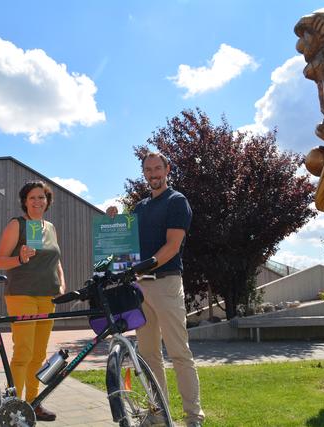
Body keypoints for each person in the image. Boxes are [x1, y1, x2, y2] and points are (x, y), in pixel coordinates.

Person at [107, 152, 205, 427]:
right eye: (148, 169)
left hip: (166, 283)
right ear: (144, 172)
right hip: (140, 289)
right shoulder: (140, 207)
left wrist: (140, 269)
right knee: (149, 356)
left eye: (158, 168)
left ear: (167, 169)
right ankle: (158, 413)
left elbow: (172, 246)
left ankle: (193, 417)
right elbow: (126, 244)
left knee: (178, 353)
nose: (153, 173)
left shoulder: (177, 201)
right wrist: (113, 221)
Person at [0, 181, 66, 422]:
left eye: (42, 197)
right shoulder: (18, 224)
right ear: (25, 201)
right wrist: (20, 259)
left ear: (48, 201)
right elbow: (0, 261)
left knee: (38, 354)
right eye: (32, 197)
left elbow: (56, 260)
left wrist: (62, 283)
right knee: (23, 352)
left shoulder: (50, 227)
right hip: (21, 294)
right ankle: (13, 406)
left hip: (48, 296)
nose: (37, 201)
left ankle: (34, 403)